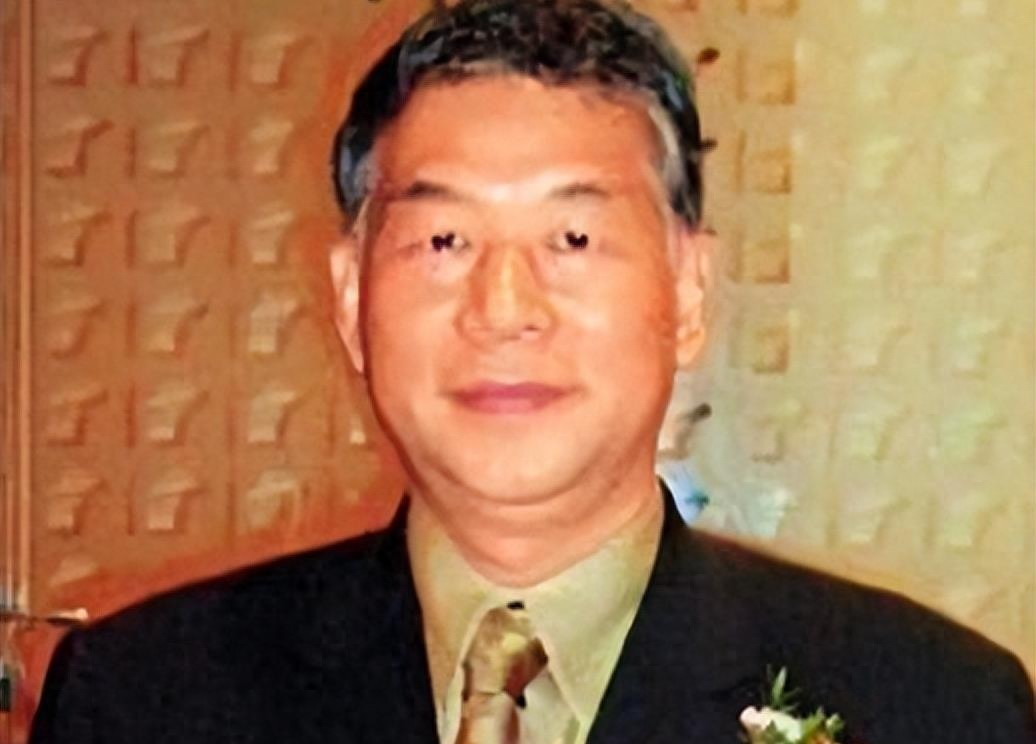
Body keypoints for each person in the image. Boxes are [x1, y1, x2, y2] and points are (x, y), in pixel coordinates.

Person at [28, 1, 1036, 742]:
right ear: (350, 297)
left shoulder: (933, 707)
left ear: (688, 291)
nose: (504, 308)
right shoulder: (144, 697)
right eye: (443, 242)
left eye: (573, 237)